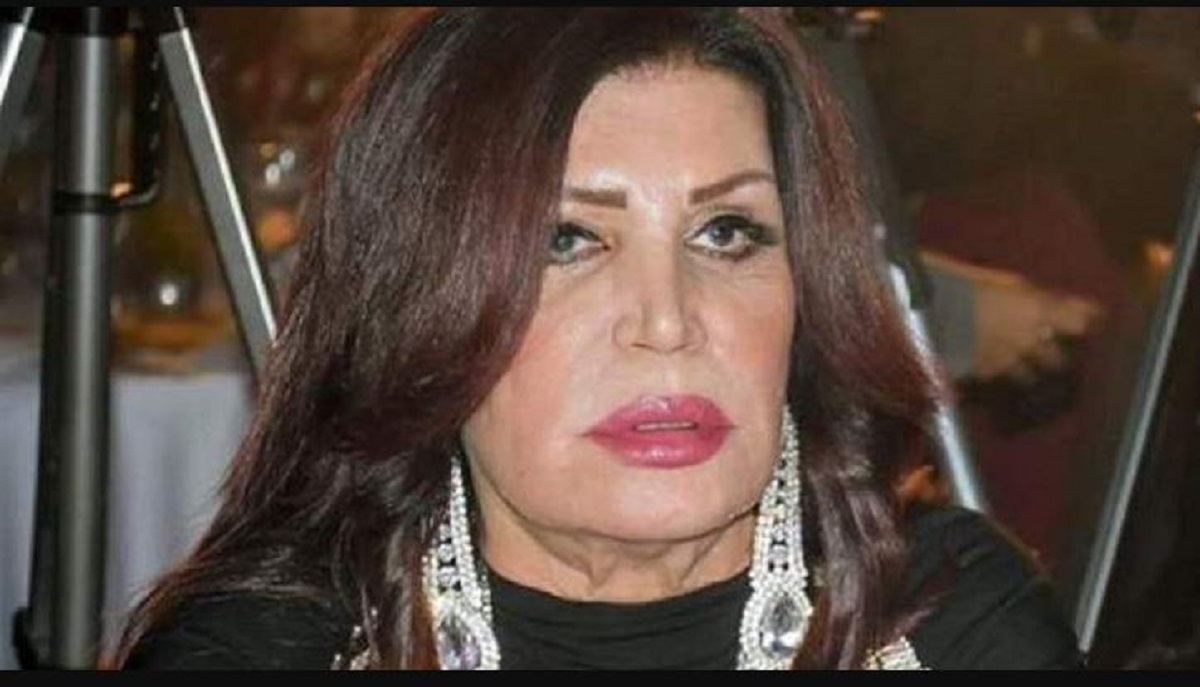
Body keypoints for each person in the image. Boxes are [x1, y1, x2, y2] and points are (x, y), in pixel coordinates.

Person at [103, 8, 1083, 670]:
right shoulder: (265, 647)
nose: (666, 320)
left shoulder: (952, 624)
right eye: (566, 241)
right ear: (418, 301)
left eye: (725, 232)